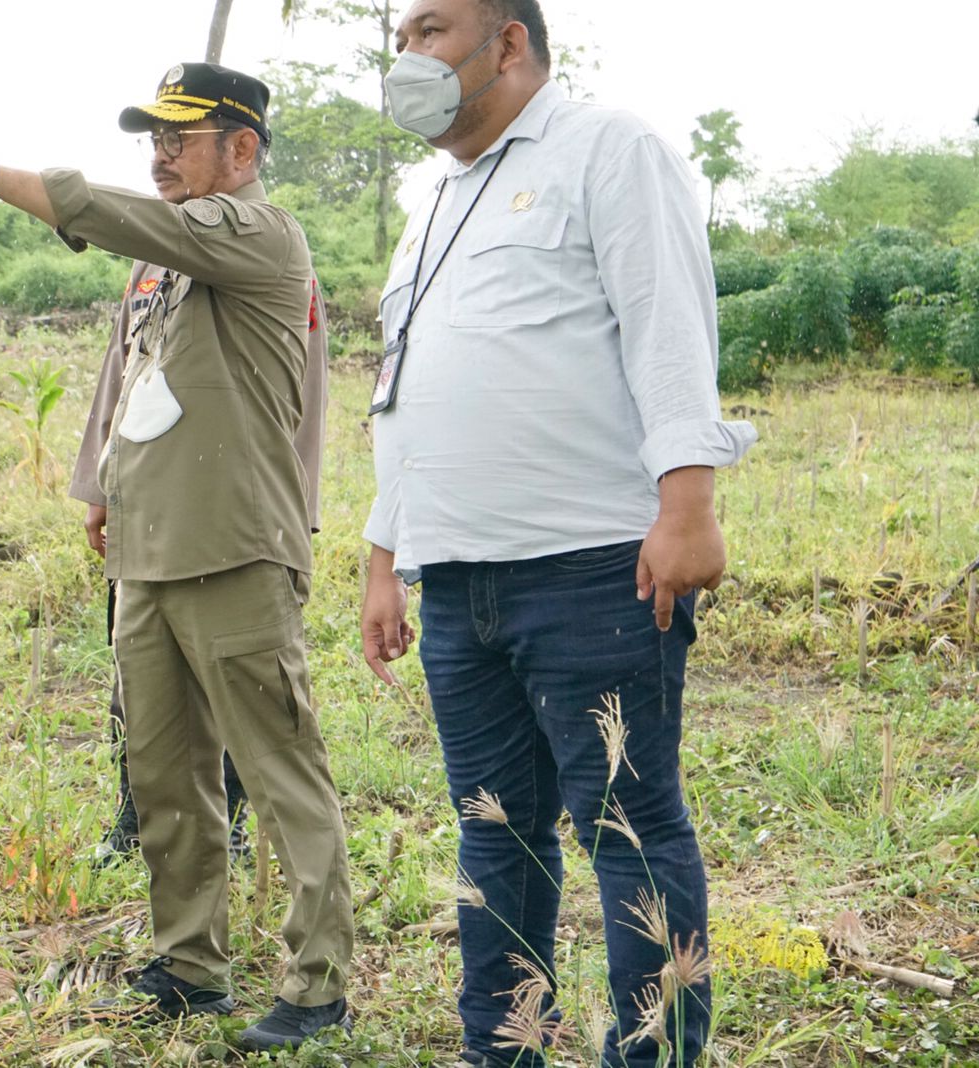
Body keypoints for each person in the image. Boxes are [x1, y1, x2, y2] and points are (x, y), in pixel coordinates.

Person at [0, 61, 354, 1054]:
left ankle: (316, 985)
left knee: (279, 774)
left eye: (179, 139)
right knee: (166, 776)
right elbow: (138, 378)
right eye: (153, 138)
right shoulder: (168, 266)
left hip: (233, 554)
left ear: (242, 149)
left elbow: (102, 210)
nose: (160, 154)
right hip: (148, 555)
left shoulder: (258, 234)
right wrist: (105, 489)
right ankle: (189, 965)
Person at [358, 2, 756, 1066]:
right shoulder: (431, 199)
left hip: (590, 569)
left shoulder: (607, 149)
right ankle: (505, 1052)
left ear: (509, 43)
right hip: (457, 581)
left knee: (627, 830)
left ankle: (657, 1055)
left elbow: (668, 326)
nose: (406, 57)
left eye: (429, 30)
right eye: (397, 38)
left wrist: (688, 503)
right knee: (494, 833)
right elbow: (403, 386)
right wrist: (384, 557)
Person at [72, 264, 330, 870]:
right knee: (135, 674)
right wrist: (99, 482)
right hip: (148, 502)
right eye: (155, 158)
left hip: (230, 512)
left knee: (236, 679)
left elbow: (304, 386)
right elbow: (124, 368)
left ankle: (231, 822)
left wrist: (295, 504)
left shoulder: (266, 253)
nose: (162, 164)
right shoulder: (146, 261)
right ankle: (134, 816)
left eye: (174, 157)